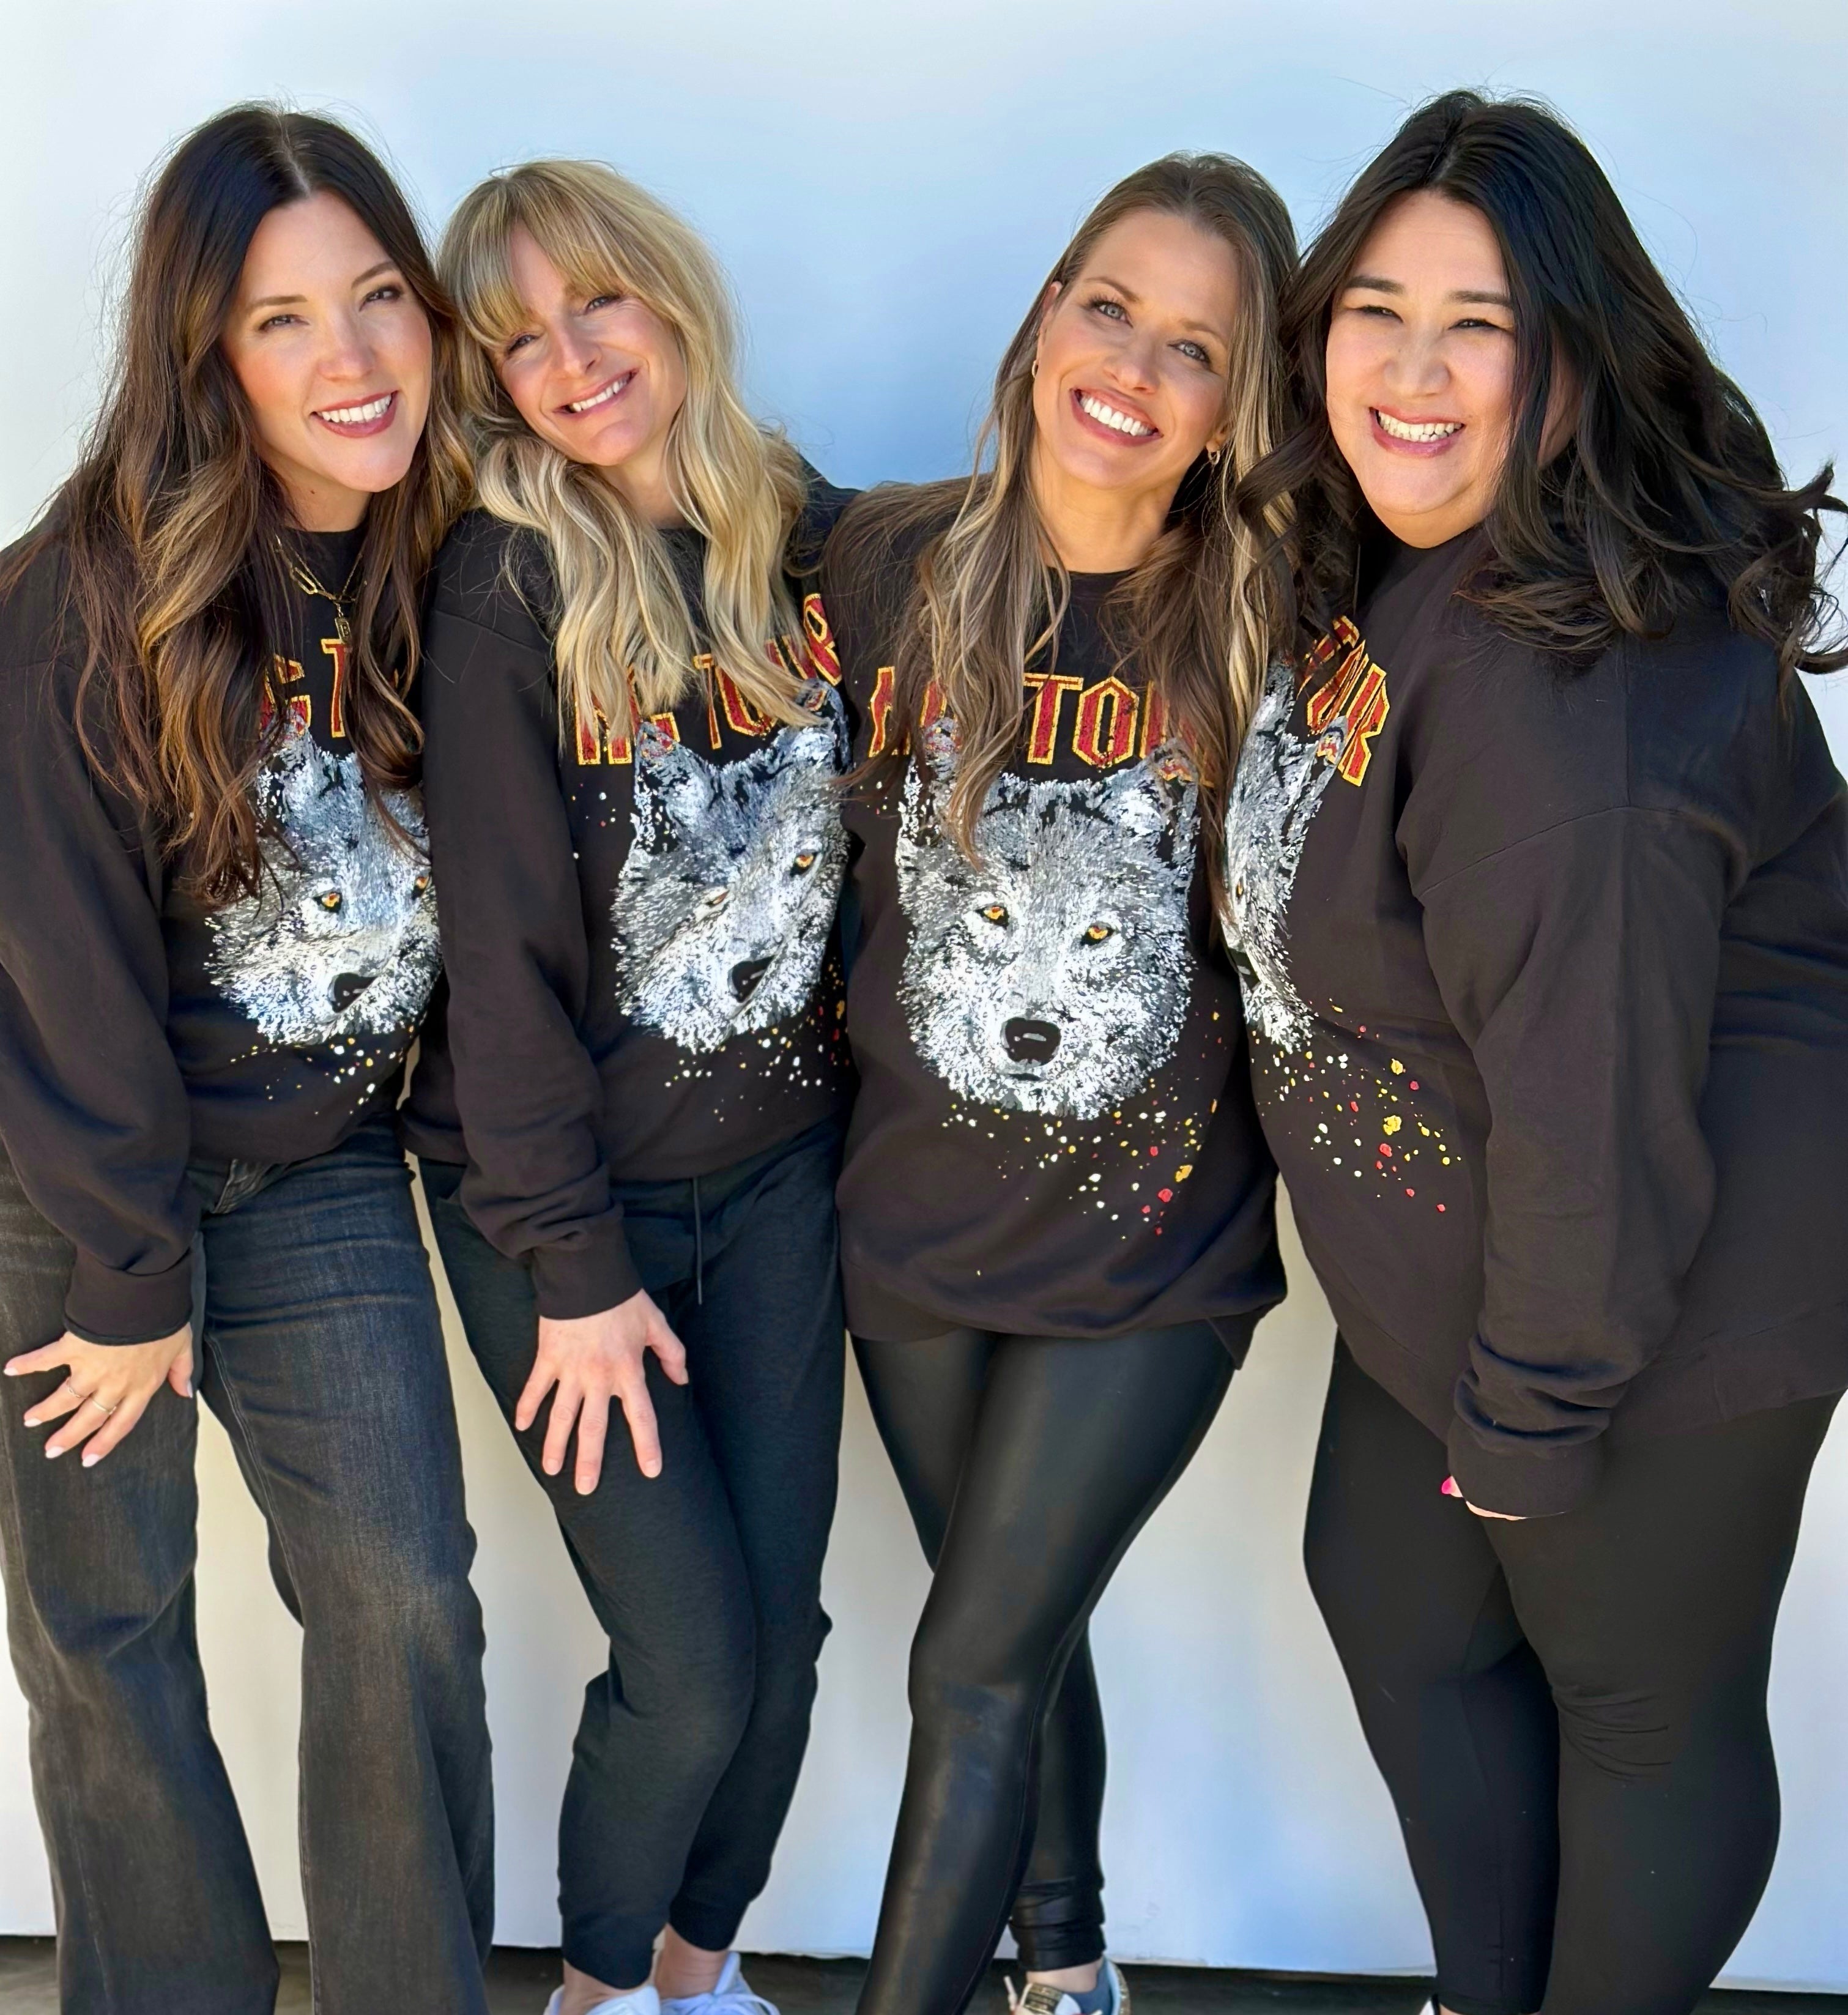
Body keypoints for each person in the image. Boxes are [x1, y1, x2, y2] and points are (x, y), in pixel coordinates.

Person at [1228, 89, 1848, 2015]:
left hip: (1657, 1307)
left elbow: (1593, 1108)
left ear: (1573, 358)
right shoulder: (1430, 553)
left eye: (1479, 327)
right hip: (1482, 1262)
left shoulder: (1568, 713)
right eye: (1377, 312)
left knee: (1641, 1714)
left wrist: (1533, 1420)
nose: (1411, 376)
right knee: (1396, 1602)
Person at [0, 105, 493, 2015]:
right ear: (206, 352)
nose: (352, 358)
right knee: (106, 1631)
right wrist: (131, 1273)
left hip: (316, 1168)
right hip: (65, 1186)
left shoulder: (448, 561)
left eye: (379, 298)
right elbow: (62, 968)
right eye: (284, 320)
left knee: (402, 1594)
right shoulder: (78, 597)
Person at [820, 154, 1294, 2015]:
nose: (1135, 366)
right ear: (1044, 316)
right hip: (911, 1230)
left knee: (971, 1666)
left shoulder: (1280, 616)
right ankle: (1070, 1967)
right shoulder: (878, 565)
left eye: (1197, 346)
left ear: (1237, 407)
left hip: (1149, 1254)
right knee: (1007, 1628)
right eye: (1110, 306)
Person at [404, 159, 855, 2015]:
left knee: (785, 1642)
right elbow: (498, 964)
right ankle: (593, 1998)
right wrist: (575, 1271)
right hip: (561, 1214)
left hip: (779, 1186)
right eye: (519, 339)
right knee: (690, 1659)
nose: (574, 359)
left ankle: (695, 1979)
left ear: (671, 294)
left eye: (599, 300)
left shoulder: (807, 539)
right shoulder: (507, 581)